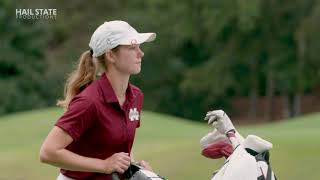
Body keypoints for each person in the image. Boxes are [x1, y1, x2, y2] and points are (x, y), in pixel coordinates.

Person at [39, 20, 156, 180]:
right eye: (132, 47)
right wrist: (104, 165)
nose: (140, 53)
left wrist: (136, 168)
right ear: (110, 55)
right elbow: (48, 152)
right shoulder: (89, 102)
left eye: (139, 47)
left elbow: (119, 147)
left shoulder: (136, 96)